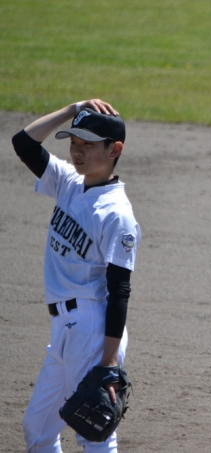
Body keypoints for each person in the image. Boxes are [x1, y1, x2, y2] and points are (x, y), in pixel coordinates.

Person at [11, 99, 141, 453]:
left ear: (115, 150)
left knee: (94, 432)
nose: (77, 151)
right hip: (64, 330)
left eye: (88, 145)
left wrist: (109, 363)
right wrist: (73, 108)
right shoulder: (68, 181)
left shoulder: (117, 213)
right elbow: (24, 143)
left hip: (91, 329)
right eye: (74, 143)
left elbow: (120, 290)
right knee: (38, 428)